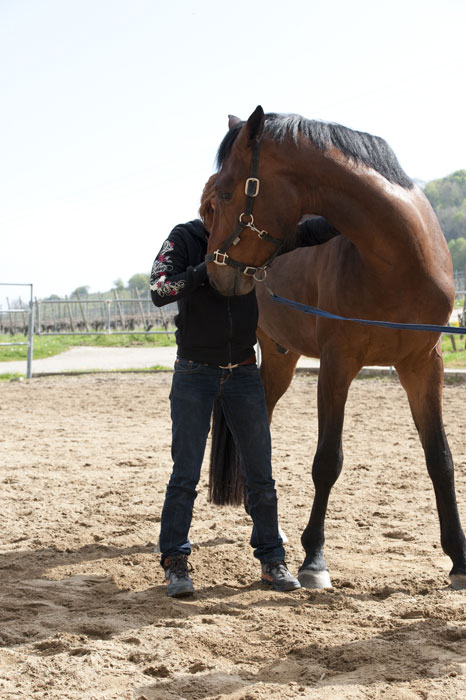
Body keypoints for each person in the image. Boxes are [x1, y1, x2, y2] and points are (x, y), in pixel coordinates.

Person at [150, 174, 339, 598]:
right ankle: (176, 562)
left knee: (261, 476)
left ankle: (272, 561)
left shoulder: (255, 239)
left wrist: (344, 212)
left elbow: (306, 233)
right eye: (222, 208)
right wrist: (206, 268)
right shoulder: (184, 238)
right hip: (194, 373)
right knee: (184, 475)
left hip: (243, 373)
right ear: (208, 207)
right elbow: (160, 288)